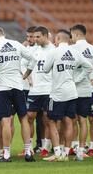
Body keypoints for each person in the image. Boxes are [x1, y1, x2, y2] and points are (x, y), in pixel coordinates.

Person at [0, 27, 37, 162]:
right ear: (3, 34)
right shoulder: (16, 44)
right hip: (17, 85)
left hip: (1, 87)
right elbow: (33, 59)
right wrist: (27, 73)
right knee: (23, 119)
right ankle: (28, 151)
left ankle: (6, 154)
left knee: (6, 120)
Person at [43, 29, 92, 162]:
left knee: (51, 121)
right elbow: (89, 67)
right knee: (69, 121)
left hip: (58, 92)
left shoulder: (54, 51)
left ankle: (58, 152)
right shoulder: (75, 52)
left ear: (58, 39)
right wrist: (76, 79)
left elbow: (45, 69)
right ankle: (65, 153)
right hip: (72, 91)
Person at [70, 24, 93, 160]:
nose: (71, 38)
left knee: (74, 119)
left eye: (72, 35)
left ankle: (82, 146)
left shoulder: (71, 49)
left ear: (77, 34)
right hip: (89, 90)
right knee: (87, 119)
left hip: (74, 89)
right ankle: (86, 147)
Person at [27, 26, 53, 157]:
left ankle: (46, 146)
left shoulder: (54, 50)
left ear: (46, 36)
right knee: (29, 117)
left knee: (47, 119)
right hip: (34, 90)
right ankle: (29, 147)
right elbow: (28, 65)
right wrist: (28, 77)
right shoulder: (34, 50)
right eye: (34, 37)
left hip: (49, 90)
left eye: (38, 37)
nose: (35, 39)